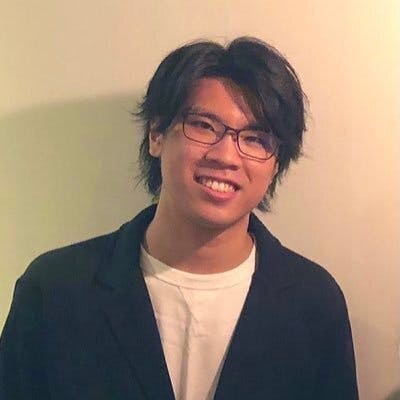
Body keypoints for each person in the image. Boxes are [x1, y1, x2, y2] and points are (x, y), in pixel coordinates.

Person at [0, 37, 358, 399]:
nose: (226, 156)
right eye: (204, 126)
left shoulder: (313, 303)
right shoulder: (54, 290)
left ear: (276, 163)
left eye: (255, 139)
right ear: (156, 134)